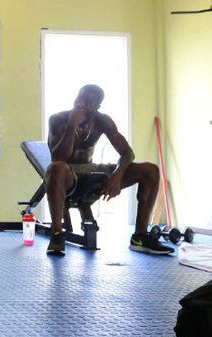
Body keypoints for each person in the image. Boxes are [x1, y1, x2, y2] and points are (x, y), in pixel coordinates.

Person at [44, 84, 173, 257]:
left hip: (93, 170)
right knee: (55, 168)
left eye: (89, 102)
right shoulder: (58, 119)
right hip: (68, 172)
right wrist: (72, 124)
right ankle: (57, 234)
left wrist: (117, 176)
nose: (82, 104)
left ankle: (140, 236)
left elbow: (128, 153)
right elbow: (58, 157)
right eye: (80, 98)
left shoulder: (102, 121)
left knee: (150, 170)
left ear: (97, 107)